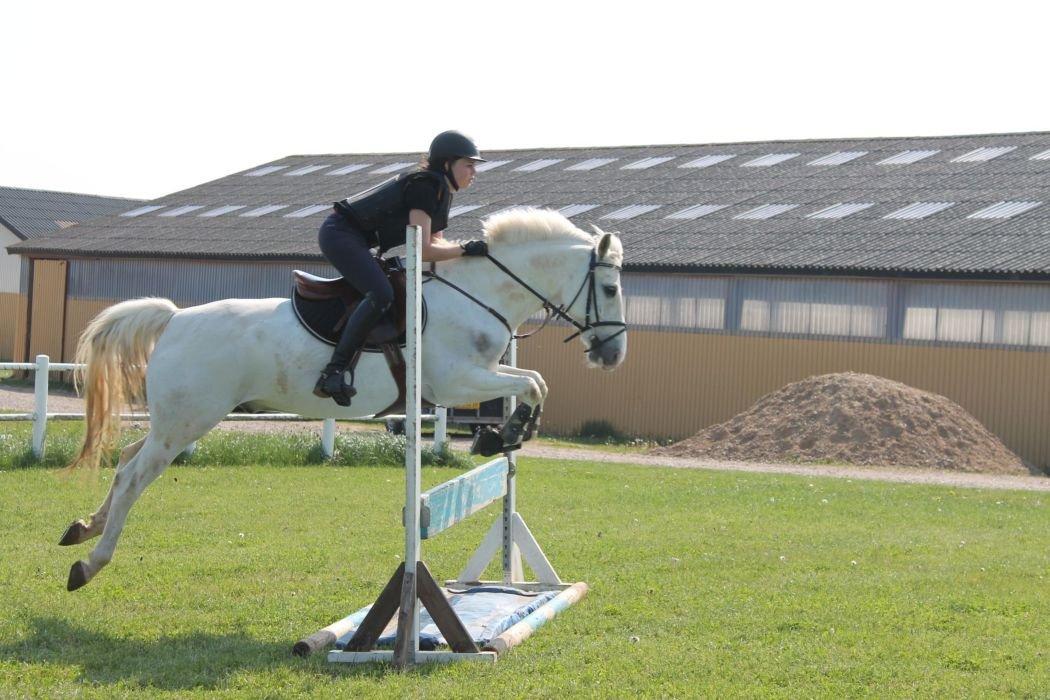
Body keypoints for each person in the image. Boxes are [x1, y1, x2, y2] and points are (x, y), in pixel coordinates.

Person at [314, 130, 490, 406]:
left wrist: (468, 254)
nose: (474, 172)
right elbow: (422, 250)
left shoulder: (441, 190)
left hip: (357, 238)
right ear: (447, 164)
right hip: (340, 233)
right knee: (381, 294)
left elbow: (435, 248)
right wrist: (466, 249)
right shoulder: (426, 186)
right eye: (468, 165)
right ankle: (333, 372)